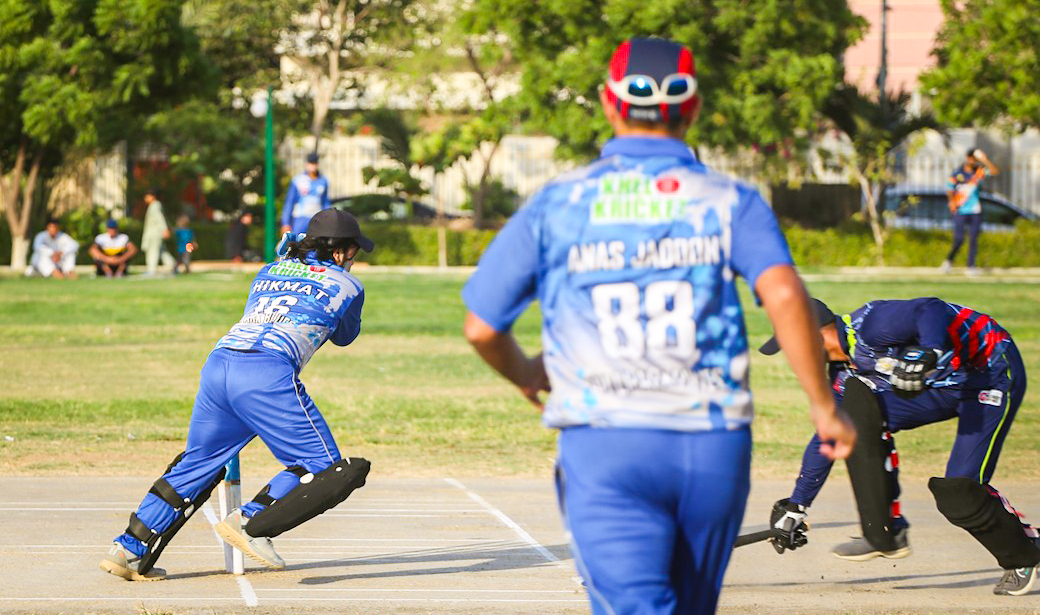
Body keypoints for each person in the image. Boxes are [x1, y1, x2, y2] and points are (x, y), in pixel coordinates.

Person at [461, 37, 856, 615]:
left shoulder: (561, 201)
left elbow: (481, 327)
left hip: (605, 442)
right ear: (693, 108)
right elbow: (783, 293)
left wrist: (525, 372)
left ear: (607, 102)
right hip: (712, 444)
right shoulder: (729, 198)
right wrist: (823, 406)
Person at [99, 208, 375, 581]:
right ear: (340, 251)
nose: (354, 259)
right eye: (353, 251)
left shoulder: (268, 270)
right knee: (325, 468)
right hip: (267, 371)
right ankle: (249, 522)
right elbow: (344, 337)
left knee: (198, 462)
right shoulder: (348, 285)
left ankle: (128, 550)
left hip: (220, 364)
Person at [762, 297, 1038, 596]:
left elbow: (930, 308)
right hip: (943, 388)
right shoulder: (843, 375)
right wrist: (797, 506)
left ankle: (1025, 550)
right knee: (852, 419)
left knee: (960, 494)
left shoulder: (871, 326)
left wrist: (930, 350)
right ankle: (886, 531)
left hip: (989, 374)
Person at [940, 148, 999, 275]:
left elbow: (994, 171)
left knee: (973, 238)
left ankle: (971, 266)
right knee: (959, 239)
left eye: (976, 159)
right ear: (967, 158)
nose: (974, 161)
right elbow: (949, 188)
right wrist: (951, 202)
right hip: (960, 210)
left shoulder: (979, 172)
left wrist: (984, 160)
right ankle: (949, 260)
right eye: (972, 159)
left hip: (975, 210)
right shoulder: (957, 173)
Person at [281, 152, 330, 236]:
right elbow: (290, 202)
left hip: (317, 219)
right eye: (311, 163)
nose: (312, 166)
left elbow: (325, 202)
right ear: (306, 164)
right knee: (298, 241)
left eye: (314, 163)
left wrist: (329, 219)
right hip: (300, 218)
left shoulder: (323, 181)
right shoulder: (298, 180)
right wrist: (286, 223)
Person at [141, 188, 176, 275]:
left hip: (155, 234)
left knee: (152, 251)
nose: (145, 199)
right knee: (162, 251)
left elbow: (159, 218)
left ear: (153, 196)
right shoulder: (155, 206)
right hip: (156, 233)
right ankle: (173, 265)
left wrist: (165, 229)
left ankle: (151, 270)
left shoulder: (154, 206)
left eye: (147, 196)